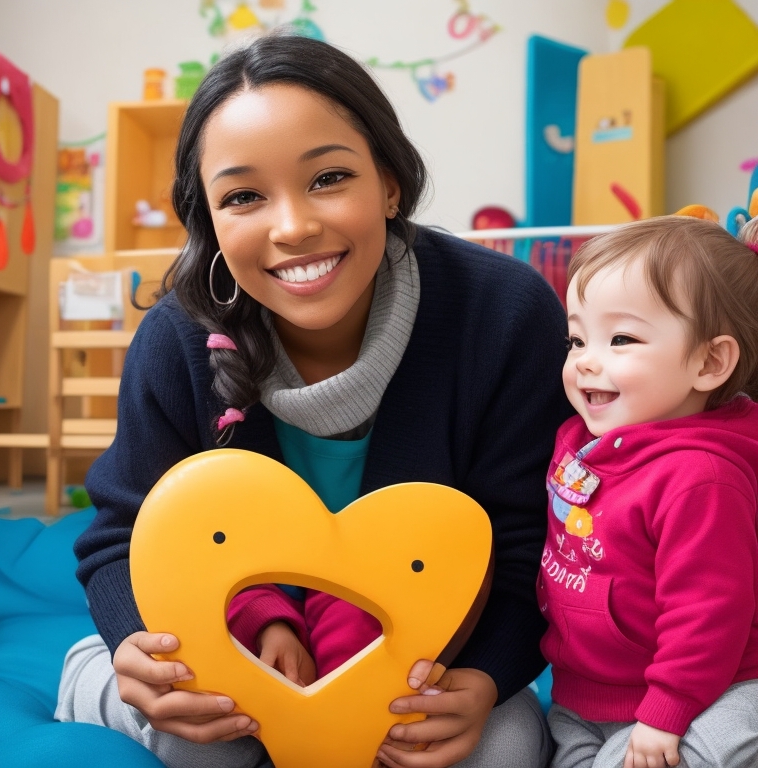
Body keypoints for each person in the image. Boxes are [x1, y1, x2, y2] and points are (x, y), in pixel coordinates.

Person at [56, 33, 572, 768]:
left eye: (328, 178)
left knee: (506, 748)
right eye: (242, 196)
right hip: (236, 642)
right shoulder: (177, 341)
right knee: (207, 748)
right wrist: (135, 647)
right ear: (208, 219)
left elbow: (529, 546)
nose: (293, 227)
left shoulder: (505, 314)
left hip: (421, 654)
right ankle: (90, 678)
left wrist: (485, 679)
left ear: (390, 183)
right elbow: (121, 534)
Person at [540, 215, 758, 768]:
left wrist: (668, 710)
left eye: (621, 339)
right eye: (576, 338)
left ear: (710, 362)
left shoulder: (701, 480)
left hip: (705, 693)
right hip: (586, 694)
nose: (586, 358)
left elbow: (708, 613)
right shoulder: (581, 440)